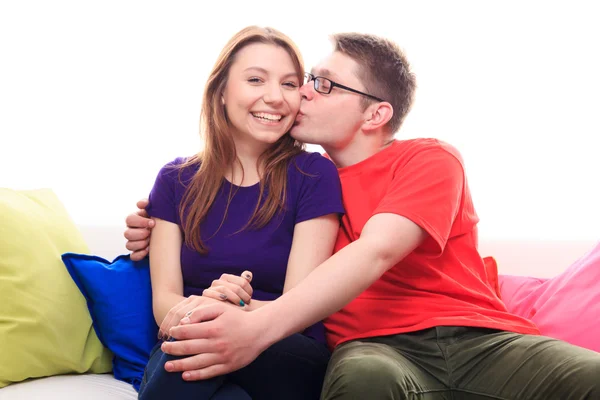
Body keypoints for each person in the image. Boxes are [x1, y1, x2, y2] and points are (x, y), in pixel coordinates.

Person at [126, 32, 600, 399]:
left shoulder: (427, 159)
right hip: (371, 348)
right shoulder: (307, 181)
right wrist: (155, 228)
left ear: (374, 115)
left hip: (478, 339)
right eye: (307, 80)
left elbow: (378, 250)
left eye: (322, 84)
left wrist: (250, 326)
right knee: (361, 380)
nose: (301, 94)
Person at [135, 26, 344, 400]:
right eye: (255, 80)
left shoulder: (314, 174)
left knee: (187, 363)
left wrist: (228, 309)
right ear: (220, 93)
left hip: (284, 345)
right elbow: (164, 300)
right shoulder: (174, 180)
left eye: (289, 84)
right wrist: (205, 309)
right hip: (191, 334)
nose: (275, 97)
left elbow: (298, 305)